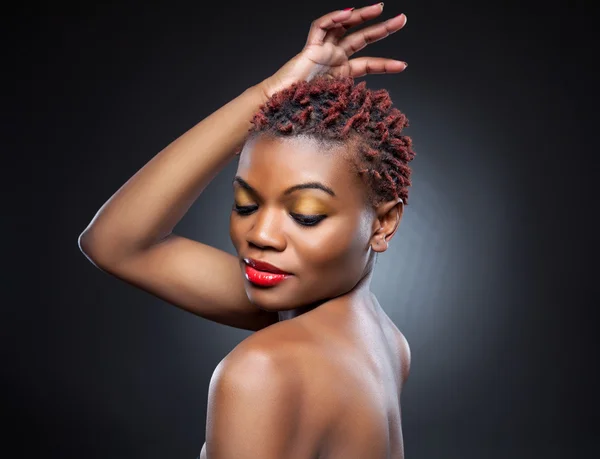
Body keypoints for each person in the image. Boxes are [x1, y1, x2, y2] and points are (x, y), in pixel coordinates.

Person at [78, 3, 414, 458]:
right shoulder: (385, 342)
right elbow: (113, 243)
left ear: (384, 223)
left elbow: (117, 245)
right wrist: (271, 93)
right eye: (246, 203)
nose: (262, 235)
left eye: (307, 214)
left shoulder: (263, 370)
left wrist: (266, 93)